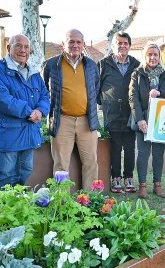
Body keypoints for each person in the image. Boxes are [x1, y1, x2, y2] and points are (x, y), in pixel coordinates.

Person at [0, 34, 50, 187]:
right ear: (9, 48)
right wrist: (30, 112)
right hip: (9, 133)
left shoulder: (34, 72)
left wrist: (40, 111)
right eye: (18, 46)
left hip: (29, 133)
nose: (23, 50)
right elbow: (1, 99)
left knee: (25, 171)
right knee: (6, 175)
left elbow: (45, 95)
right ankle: (2, 207)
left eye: (27, 47)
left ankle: (19, 205)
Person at [43, 29, 100, 191]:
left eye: (78, 42)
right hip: (62, 120)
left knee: (90, 163)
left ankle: (89, 200)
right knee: (61, 164)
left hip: (86, 121)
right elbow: (44, 89)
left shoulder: (91, 65)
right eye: (71, 42)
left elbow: (95, 88)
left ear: (83, 44)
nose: (75, 45)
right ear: (63, 44)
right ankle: (62, 203)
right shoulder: (51, 64)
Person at [129, 44, 165, 198]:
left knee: (158, 154)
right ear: (145, 56)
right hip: (143, 119)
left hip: (160, 121)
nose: (152, 57)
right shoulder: (137, 73)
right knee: (143, 153)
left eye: (155, 54)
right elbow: (133, 97)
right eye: (149, 54)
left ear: (159, 56)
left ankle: (157, 185)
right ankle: (142, 185)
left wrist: (160, 92)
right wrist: (140, 120)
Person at [97, 32, 140, 193]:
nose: (122, 46)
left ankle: (128, 177)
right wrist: (105, 103)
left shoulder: (136, 64)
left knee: (129, 148)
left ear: (129, 45)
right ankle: (115, 178)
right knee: (114, 148)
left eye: (125, 43)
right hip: (112, 113)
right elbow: (96, 87)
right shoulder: (103, 64)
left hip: (131, 113)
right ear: (114, 45)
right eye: (119, 43)